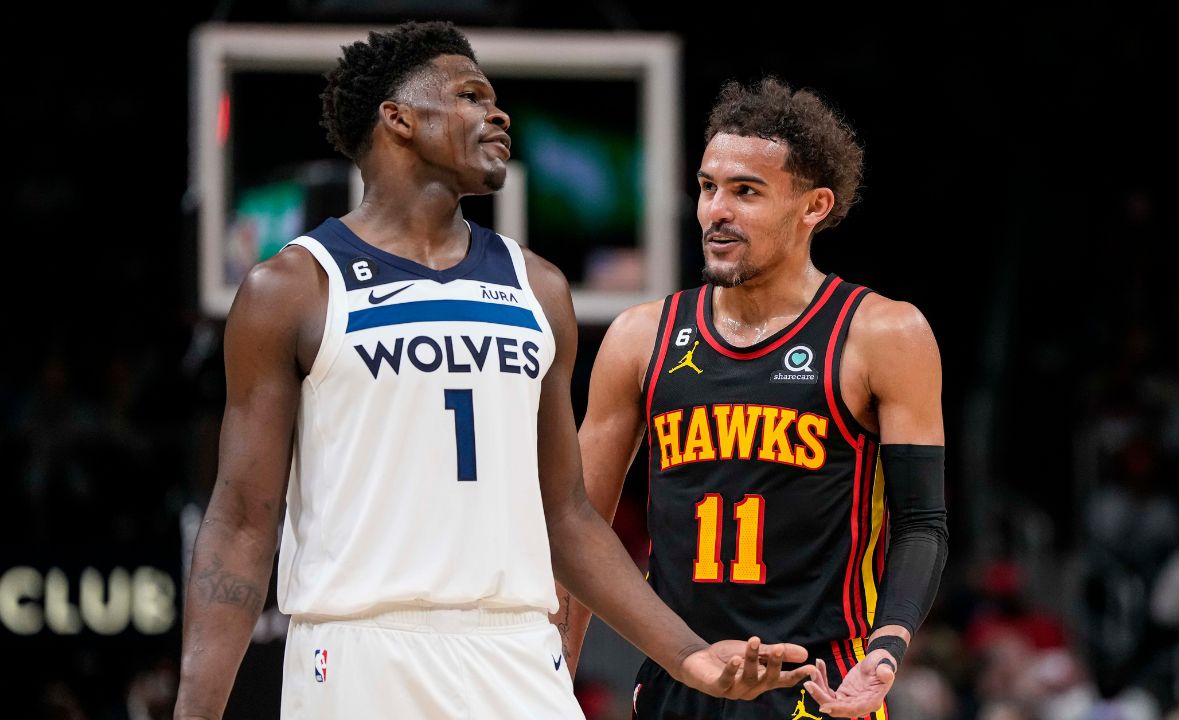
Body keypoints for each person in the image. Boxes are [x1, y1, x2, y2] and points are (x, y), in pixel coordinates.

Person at [173, 22, 815, 720]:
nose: (498, 113)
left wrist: (690, 654)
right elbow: (240, 521)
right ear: (399, 120)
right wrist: (196, 710)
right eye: (471, 96)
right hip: (357, 651)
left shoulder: (538, 287)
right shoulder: (294, 288)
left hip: (514, 649)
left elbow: (566, 514)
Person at [553, 76, 949, 718]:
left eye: (746, 191)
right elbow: (579, 524)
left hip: (820, 683)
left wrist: (887, 648)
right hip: (679, 678)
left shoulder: (881, 333)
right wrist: (555, 675)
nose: (716, 210)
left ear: (813, 206)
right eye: (709, 187)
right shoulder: (639, 337)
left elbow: (922, 524)